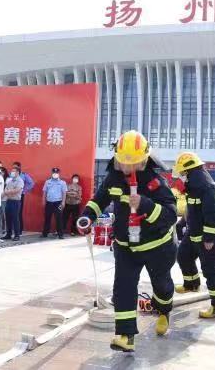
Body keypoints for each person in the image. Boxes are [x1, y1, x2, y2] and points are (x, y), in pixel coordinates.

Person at [78, 130, 177, 353]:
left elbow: (171, 215)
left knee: (162, 286)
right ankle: (126, 335)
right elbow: (99, 200)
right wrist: (87, 217)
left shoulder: (155, 182)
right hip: (125, 247)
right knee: (123, 288)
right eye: (123, 163)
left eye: (133, 164)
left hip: (157, 247)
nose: (127, 168)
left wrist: (145, 204)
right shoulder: (113, 177)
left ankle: (164, 311)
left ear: (144, 160)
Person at [173, 152, 215, 318]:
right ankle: (192, 284)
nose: (181, 176)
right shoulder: (194, 185)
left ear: (189, 171)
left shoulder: (205, 186)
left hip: (211, 238)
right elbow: (193, 207)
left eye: (182, 173)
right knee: (183, 255)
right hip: (194, 233)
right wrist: (183, 222)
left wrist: (210, 238)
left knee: (211, 271)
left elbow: (213, 214)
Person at [42, 168, 67, 239]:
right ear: (52, 173)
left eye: (56, 173)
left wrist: (63, 202)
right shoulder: (47, 182)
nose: (55, 174)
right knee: (47, 218)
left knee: (59, 219)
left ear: (59, 174)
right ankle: (45, 233)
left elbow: (64, 193)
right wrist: (43, 200)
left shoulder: (62, 182)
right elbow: (45, 192)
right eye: (54, 173)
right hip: (49, 202)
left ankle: (60, 234)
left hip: (58, 203)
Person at [12, 162, 35, 234]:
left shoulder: (24, 175)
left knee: (18, 212)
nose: (14, 169)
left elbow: (31, 183)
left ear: (19, 167)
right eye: (13, 167)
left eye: (16, 167)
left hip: (20, 195)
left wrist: (24, 190)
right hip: (11, 195)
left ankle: (19, 229)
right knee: (11, 212)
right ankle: (12, 229)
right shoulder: (11, 174)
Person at [4, 165, 24, 240]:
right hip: (8, 201)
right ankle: (8, 234)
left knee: (15, 218)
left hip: (15, 201)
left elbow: (17, 190)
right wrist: (9, 192)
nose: (11, 172)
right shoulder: (10, 181)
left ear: (18, 172)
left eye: (13, 171)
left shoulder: (20, 181)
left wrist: (8, 192)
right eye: (11, 171)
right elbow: (5, 189)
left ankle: (17, 235)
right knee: (8, 218)